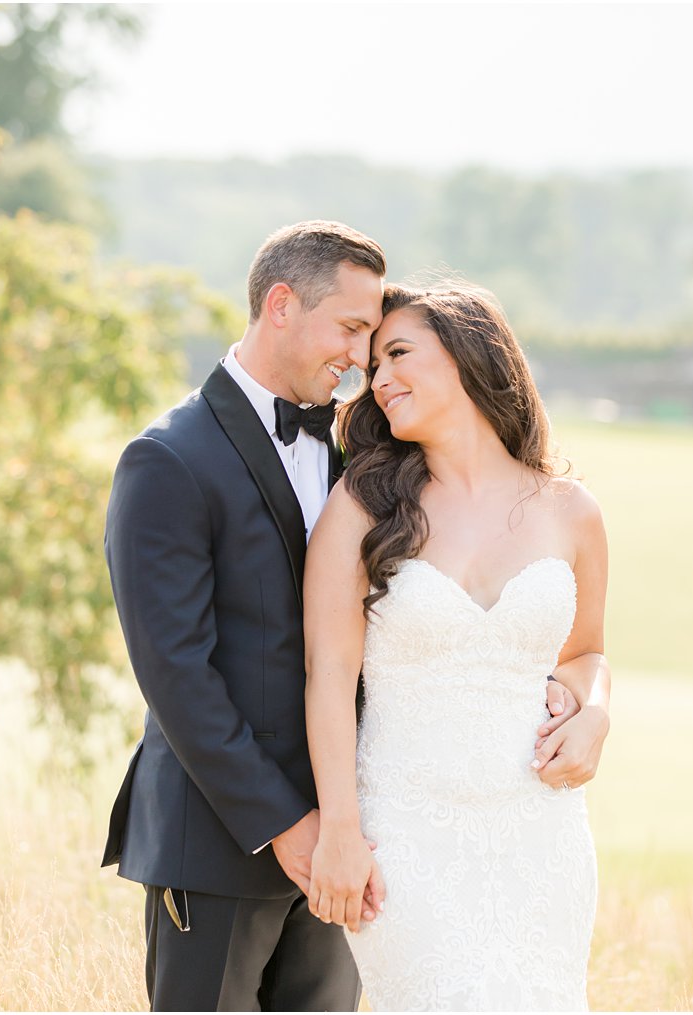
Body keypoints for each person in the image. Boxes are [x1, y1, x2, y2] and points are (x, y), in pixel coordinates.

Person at [99, 225, 583, 1011]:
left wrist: (344, 830)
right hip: (223, 841)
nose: (362, 360)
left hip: (366, 847)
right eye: (354, 330)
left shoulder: (361, 457)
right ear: (281, 306)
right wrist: (291, 826)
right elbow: (176, 676)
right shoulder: (168, 459)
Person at [303, 283, 612, 1011]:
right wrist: (340, 830)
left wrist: (596, 711)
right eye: (373, 364)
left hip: (540, 833)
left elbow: (587, 653)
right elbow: (329, 675)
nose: (377, 378)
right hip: (404, 835)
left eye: (398, 354)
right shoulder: (361, 505)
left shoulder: (571, 511)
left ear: (471, 354)